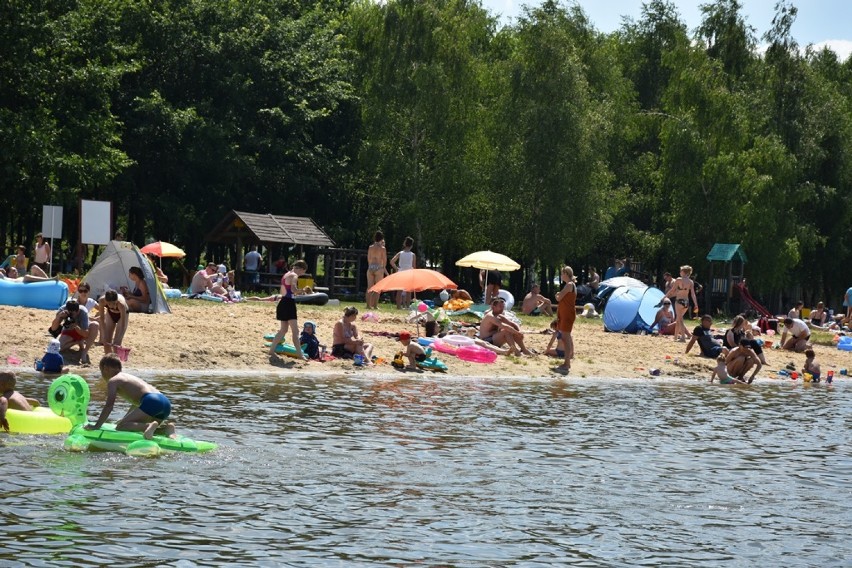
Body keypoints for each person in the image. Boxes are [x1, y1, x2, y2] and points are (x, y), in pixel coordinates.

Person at [84, 354, 176, 439]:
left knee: (121, 427)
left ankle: (148, 426)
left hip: (151, 401)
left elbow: (109, 406)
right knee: (136, 426)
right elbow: (137, 405)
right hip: (165, 403)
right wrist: (125, 419)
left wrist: (97, 425)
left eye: (101, 371)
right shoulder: (128, 377)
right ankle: (166, 428)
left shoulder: (113, 381)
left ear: (105, 368)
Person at [268, 260, 308, 360]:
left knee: (283, 330)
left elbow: (284, 290)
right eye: (303, 272)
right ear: (301, 269)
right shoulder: (294, 275)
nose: (302, 274)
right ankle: (300, 354)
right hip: (289, 303)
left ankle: (271, 350)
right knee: (295, 331)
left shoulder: (286, 274)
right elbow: (294, 290)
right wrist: (302, 291)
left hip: (282, 302)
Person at [48, 299, 98, 365]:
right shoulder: (62, 310)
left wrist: (76, 326)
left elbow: (86, 334)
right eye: (70, 313)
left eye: (73, 314)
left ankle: (84, 352)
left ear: (78, 311)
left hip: (82, 331)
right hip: (69, 331)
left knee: (95, 325)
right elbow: (53, 329)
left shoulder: (83, 312)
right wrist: (58, 317)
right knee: (59, 348)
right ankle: (77, 342)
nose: (71, 316)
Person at [553, 266, 577, 372]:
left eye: (562, 273)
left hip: (567, 315)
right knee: (567, 337)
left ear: (566, 274)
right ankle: (569, 358)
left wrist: (557, 294)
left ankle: (567, 363)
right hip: (566, 314)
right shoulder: (570, 285)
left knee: (565, 338)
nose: (561, 275)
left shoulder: (569, 285)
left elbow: (559, 297)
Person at [666, 265, 699, 342]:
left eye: (681, 271)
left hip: (679, 301)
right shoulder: (691, 282)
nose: (680, 272)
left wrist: (665, 297)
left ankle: (683, 337)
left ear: (684, 272)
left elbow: (672, 290)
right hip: (686, 302)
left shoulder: (679, 279)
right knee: (678, 319)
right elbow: (693, 294)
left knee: (680, 319)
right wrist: (696, 304)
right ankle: (675, 337)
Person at [98, 290, 129, 355]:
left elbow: (123, 326)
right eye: (109, 304)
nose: (111, 305)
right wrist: (104, 335)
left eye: (114, 303)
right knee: (106, 341)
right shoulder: (101, 301)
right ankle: (108, 358)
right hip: (110, 314)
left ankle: (116, 359)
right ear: (106, 301)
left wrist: (118, 338)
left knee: (116, 344)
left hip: (122, 315)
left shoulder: (121, 304)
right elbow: (102, 318)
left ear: (116, 301)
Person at [390, 237, 416, 309]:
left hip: (401, 272)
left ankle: (398, 306)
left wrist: (397, 268)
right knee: (408, 291)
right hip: (409, 273)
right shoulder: (413, 255)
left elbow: (392, 261)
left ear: (404, 244)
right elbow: (414, 266)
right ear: (411, 246)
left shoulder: (400, 253)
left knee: (399, 291)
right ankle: (407, 306)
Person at [365, 231, 388, 309]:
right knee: (377, 288)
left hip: (371, 266)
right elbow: (384, 260)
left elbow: (368, 258)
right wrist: (383, 267)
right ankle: (375, 305)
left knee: (369, 288)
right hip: (378, 267)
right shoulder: (382, 248)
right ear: (381, 238)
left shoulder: (370, 247)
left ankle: (368, 305)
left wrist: (370, 266)